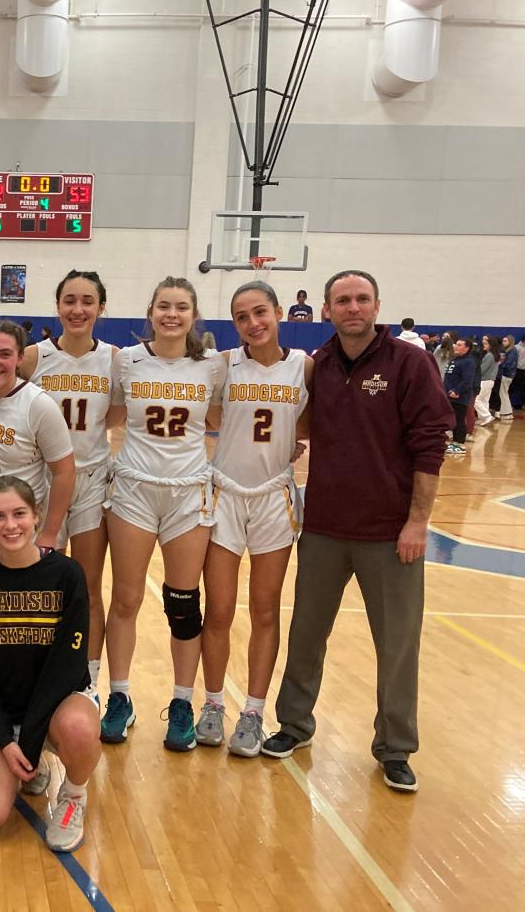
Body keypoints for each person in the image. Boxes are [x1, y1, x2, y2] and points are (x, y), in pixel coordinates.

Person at [264, 269, 449, 793]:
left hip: (391, 535)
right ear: (326, 309)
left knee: (396, 646)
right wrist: (291, 441)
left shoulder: (409, 364)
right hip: (323, 527)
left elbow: (431, 444)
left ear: (377, 305)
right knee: (305, 636)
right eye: (342, 300)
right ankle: (294, 725)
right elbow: (300, 423)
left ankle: (395, 748)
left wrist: (418, 521)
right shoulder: (317, 366)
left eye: (361, 299)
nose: (352, 307)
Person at [100, 276, 227, 751]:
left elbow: (220, 420)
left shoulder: (213, 366)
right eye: (163, 306)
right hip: (133, 488)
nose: (172, 314)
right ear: (150, 312)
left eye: (181, 307)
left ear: (194, 316)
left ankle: (181, 703)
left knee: (182, 602)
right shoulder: (125, 360)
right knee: (127, 599)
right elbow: (109, 417)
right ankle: (119, 697)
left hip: (188, 491)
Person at [199, 282, 311, 757]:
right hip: (224, 494)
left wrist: (294, 442)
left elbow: (309, 424)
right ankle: (211, 704)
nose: (253, 323)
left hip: (272, 500)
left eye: (260, 312)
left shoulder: (304, 366)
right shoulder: (224, 365)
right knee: (219, 610)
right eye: (242, 317)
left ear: (279, 312)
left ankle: (253, 712)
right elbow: (204, 417)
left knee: (265, 610)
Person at [0, 477, 100, 852]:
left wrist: (31, 740)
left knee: (78, 727)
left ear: (36, 516)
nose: (10, 525)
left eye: (19, 514)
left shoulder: (67, 575)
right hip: (5, 714)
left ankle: (73, 795)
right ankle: (26, 769)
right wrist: (7, 740)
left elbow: (67, 667)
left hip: (57, 707)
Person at [18, 270, 116, 690]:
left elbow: (117, 415)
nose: (78, 309)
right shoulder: (33, 357)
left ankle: (88, 680)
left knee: (89, 587)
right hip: (43, 483)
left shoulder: (115, 358)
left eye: (87, 301)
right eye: (69, 300)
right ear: (57, 306)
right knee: (40, 586)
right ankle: (37, 671)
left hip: (92, 480)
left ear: (101, 307)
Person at [0, 319, 76, 555]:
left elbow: (65, 471)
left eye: (5, 354)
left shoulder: (38, 404)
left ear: (19, 358)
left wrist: (49, 534)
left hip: (21, 527)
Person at [443, 337, 477, 457]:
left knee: (459, 419)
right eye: (456, 344)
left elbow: (467, 380)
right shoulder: (455, 360)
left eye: (459, 345)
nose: (455, 346)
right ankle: (453, 442)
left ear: (467, 348)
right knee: (452, 420)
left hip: (459, 397)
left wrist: (457, 391)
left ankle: (460, 444)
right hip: (448, 395)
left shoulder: (469, 361)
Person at [474, 336, 500, 427]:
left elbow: (482, 370)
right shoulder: (495, 355)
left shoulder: (489, 356)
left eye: (486, 344)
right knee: (484, 400)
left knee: (476, 400)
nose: (483, 345)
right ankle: (483, 418)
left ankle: (487, 416)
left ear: (491, 345)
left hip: (484, 380)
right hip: (490, 381)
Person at [496, 335, 518, 420]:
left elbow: (508, 364)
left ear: (510, 342)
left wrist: (500, 365)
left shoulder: (512, 351)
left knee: (503, 393)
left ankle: (507, 413)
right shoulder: (509, 351)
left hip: (507, 375)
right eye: (503, 341)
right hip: (508, 374)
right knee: (504, 393)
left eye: (505, 341)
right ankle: (506, 412)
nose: (503, 342)